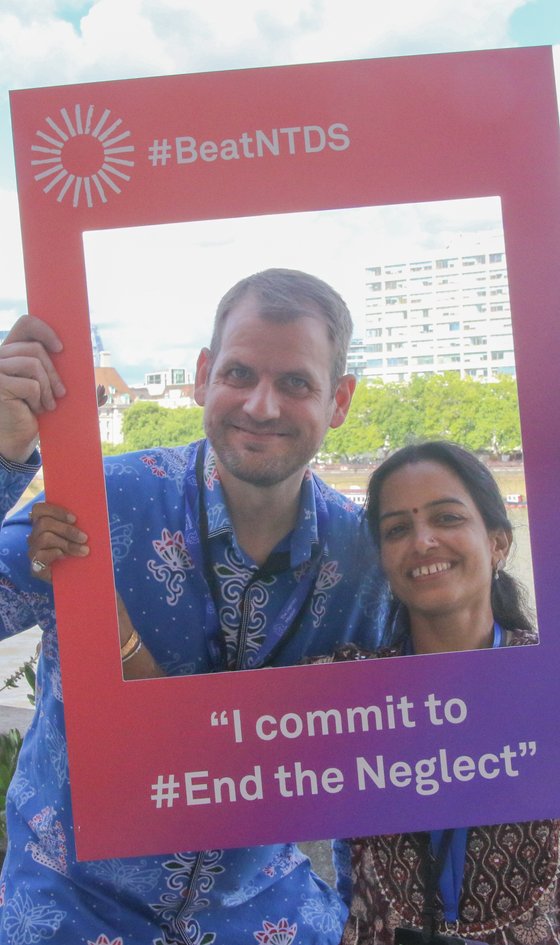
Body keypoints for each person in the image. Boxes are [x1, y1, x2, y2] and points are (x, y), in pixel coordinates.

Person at [0, 269, 388, 945]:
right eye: (239, 373)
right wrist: (6, 453)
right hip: (72, 907)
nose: (261, 405)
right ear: (204, 375)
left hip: (265, 915)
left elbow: (388, 758)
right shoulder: (99, 502)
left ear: (340, 400)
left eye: (295, 382)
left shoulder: (364, 560)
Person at [314, 441, 555, 945]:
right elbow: (204, 751)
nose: (423, 541)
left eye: (447, 518)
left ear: (498, 543)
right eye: (397, 529)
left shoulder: (547, 679)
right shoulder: (346, 692)